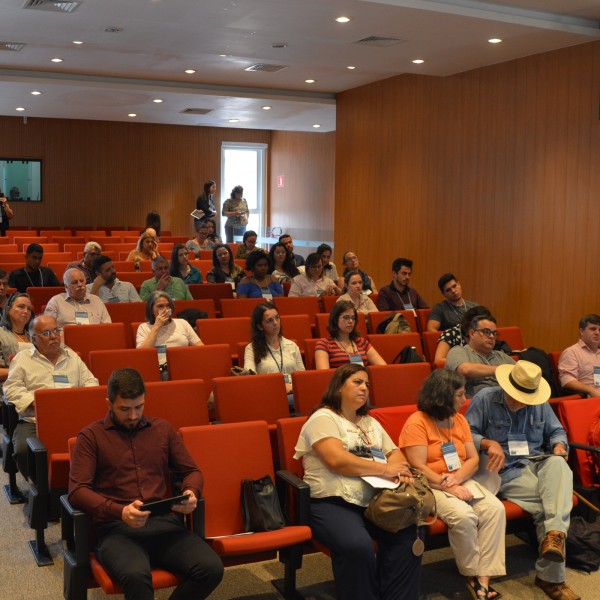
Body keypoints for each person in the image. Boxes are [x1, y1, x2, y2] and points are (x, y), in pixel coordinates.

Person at [68, 368, 224, 600]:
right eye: (124, 409)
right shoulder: (91, 437)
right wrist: (120, 511)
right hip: (117, 530)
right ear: (108, 403)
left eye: (139, 407)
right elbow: (77, 491)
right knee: (136, 576)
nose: (133, 416)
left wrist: (191, 492)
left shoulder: (162, 429)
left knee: (211, 569)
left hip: (165, 525)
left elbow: (192, 471)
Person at [294, 363, 421, 600]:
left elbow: (395, 453)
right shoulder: (323, 418)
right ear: (339, 387)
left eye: (367, 384)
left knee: (407, 534)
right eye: (357, 382)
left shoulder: (369, 422)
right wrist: (385, 469)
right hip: (331, 503)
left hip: (373, 502)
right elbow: (337, 460)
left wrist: (397, 467)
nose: (364, 388)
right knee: (357, 547)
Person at [466, 361, 579, 600]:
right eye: (516, 397)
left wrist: (559, 445)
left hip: (538, 462)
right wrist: (488, 443)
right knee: (548, 504)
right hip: (506, 470)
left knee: (559, 464)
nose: (520, 403)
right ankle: (552, 579)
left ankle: (554, 537)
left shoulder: (539, 401)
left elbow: (557, 431)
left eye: (525, 399)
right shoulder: (485, 399)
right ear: (506, 387)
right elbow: (465, 434)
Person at [399, 369, 505, 600]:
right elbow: (417, 467)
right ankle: (471, 574)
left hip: (461, 479)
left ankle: (483, 579)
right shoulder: (417, 422)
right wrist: (447, 484)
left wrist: (457, 479)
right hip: (430, 486)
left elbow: (473, 458)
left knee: (495, 509)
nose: (464, 399)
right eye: (459, 394)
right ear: (443, 395)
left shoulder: (458, 419)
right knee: (465, 517)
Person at [5, 315, 99, 475]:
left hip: (73, 417)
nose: (54, 336)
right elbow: (11, 389)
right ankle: (41, 486)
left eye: (56, 331)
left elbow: (91, 381)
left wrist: (78, 399)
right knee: (22, 450)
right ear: (34, 339)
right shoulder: (23, 359)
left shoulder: (72, 357)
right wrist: (37, 404)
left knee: (104, 442)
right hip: (35, 421)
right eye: (47, 333)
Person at [243, 302, 304, 406]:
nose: (275, 323)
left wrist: (293, 388)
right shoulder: (251, 349)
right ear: (260, 326)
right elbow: (250, 379)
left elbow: (302, 376)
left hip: (294, 392)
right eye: (269, 321)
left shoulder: (292, 345)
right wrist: (279, 387)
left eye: (277, 318)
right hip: (269, 394)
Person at [445, 314, 515, 397]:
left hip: (503, 401)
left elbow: (520, 372)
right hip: (473, 402)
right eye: (486, 332)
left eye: (494, 333)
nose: (492, 336)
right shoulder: (458, 351)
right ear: (472, 333)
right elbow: (465, 370)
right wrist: (501, 370)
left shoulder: (501, 356)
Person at [136, 292, 203, 375]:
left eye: (168, 306)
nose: (165, 309)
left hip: (184, 364)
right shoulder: (143, 327)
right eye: (160, 306)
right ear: (151, 310)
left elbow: (201, 348)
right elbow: (141, 354)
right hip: (158, 368)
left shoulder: (182, 323)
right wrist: (157, 326)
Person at [315, 301, 385, 370]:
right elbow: (324, 375)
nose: (351, 321)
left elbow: (383, 367)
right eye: (346, 317)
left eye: (353, 318)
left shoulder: (361, 342)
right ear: (335, 319)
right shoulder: (324, 344)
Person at [45, 268, 111, 328]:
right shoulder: (56, 302)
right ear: (66, 287)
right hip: (66, 339)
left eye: (82, 281)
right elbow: (47, 329)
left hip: (94, 338)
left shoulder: (96, 300)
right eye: (74, 282)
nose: (79, 284)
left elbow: (108, 327)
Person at [558, 313, 600, 398]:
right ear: (581, 331)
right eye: (593, 329)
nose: (597, 333)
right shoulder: (571, 352)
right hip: (587, 398)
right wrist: (591, 390)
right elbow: (567, 380)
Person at [0, 292, 34, 381]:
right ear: (8, 310)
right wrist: (24, 372)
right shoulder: (1, 334)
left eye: (29, 309)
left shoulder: (35, 337)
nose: (26, 311)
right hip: (9, 387)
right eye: (21, 307)